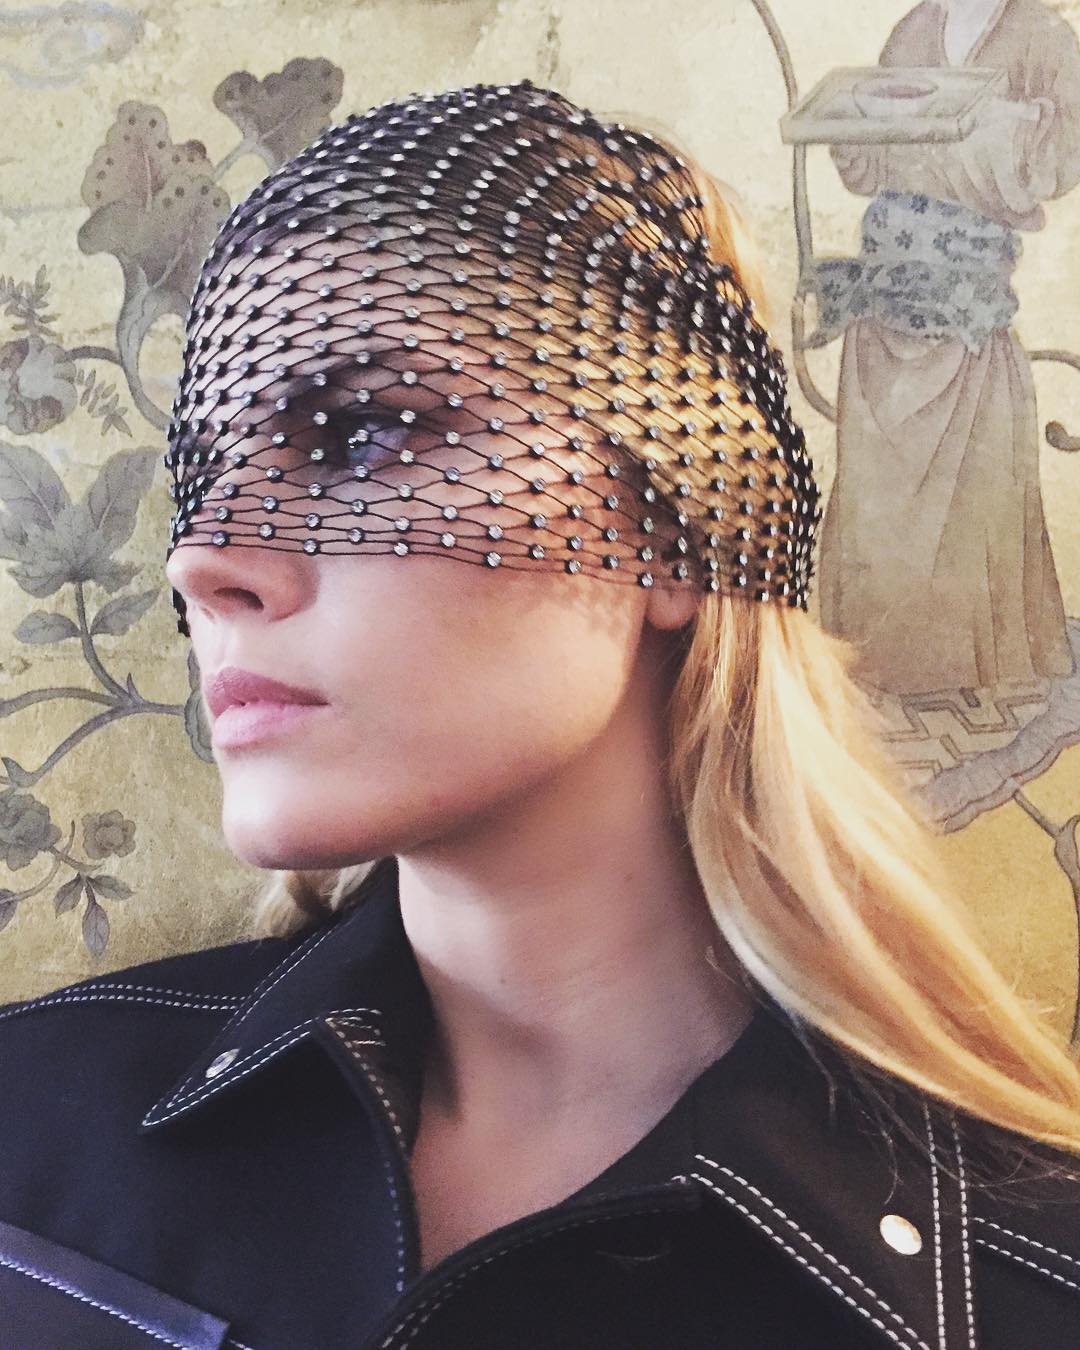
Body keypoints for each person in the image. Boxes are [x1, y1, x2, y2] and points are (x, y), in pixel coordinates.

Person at [1, 78, 1079, 1350]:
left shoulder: (1022, 1294)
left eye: (362, 435)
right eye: (207, 472)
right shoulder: (31, 1127)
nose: (202, 562)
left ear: (684, 526)